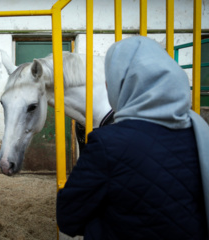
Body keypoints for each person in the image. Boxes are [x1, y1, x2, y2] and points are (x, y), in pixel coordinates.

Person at [56, 36, 209, 239]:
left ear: (122, 85)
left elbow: (68, 219)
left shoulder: (106, 143)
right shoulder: (201, 132)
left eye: (109, 80)